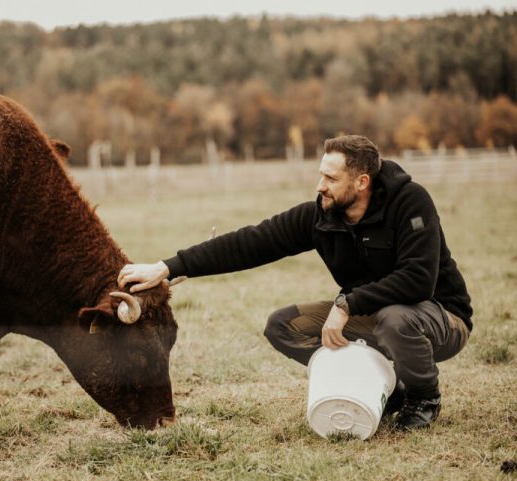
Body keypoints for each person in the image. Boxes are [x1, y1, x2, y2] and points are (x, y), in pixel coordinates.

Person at [118, 135, 472, 430]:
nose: (321, 186)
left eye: (331, 179)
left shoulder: (410, 202)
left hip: (439, 317)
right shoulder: (321, 215)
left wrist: (346, 304)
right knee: (283, 326)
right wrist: (167, 267)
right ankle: (383, 386)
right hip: (374, 315)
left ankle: (424, 397)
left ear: (361, 182)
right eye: (321, 175)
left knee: (396, 319)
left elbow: (418, 280)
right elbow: (251, 242)